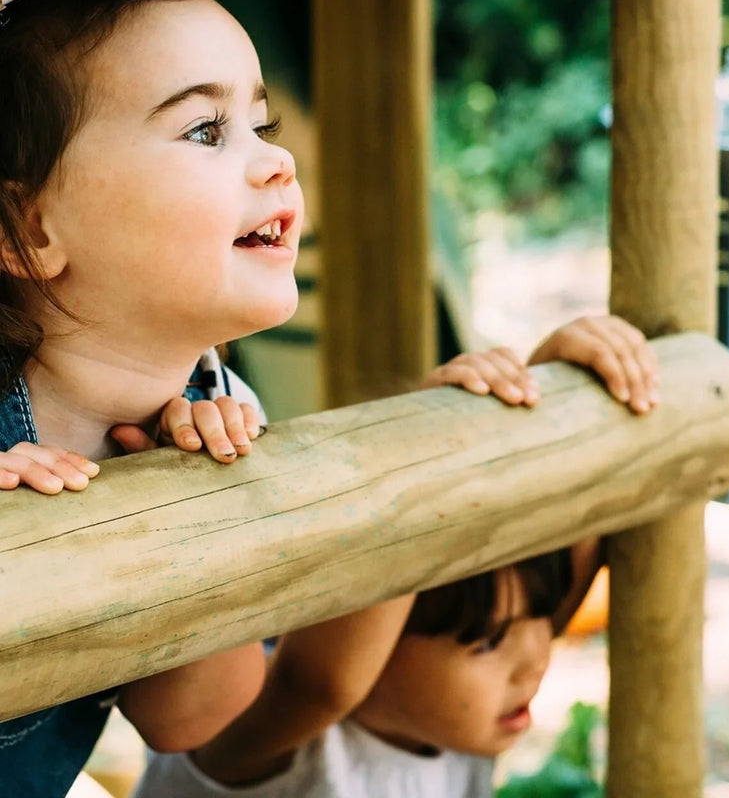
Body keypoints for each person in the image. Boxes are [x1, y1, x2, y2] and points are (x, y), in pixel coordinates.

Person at [132, 315, 659, 798]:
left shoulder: (450, 724)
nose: (536, 659)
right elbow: (327, 682)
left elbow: (569, 559)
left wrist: (548, 385)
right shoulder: (267, 733)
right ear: (377, 642)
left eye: (540, 618)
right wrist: (426, 437)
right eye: (490, 641)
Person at [0, 0, 305, 797]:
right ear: (29, 231)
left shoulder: (218, 406)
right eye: (206, 130)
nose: (278, 159)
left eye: (262, 123)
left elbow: (190, 719)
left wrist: (203, 510)